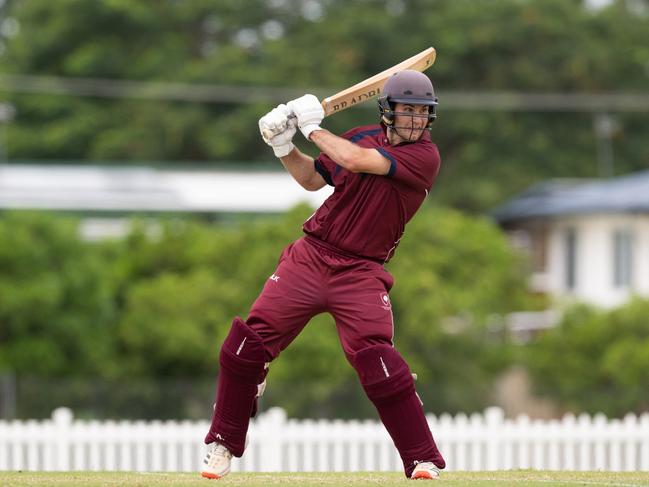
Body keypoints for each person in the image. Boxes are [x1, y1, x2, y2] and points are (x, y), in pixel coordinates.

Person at [201, 69, 446, 481]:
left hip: (362, 272)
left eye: (422, 112)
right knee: (244, 347)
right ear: (388, 112)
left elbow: (356, 161)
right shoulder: (358, 135)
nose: (415, 120)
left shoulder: (425, 157)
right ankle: (223, 444)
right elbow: (313, 178)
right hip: (311, 257)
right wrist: (282, 144)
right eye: (407, 111)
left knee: (379, 362)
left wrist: (311, 126)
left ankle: (421, 460)